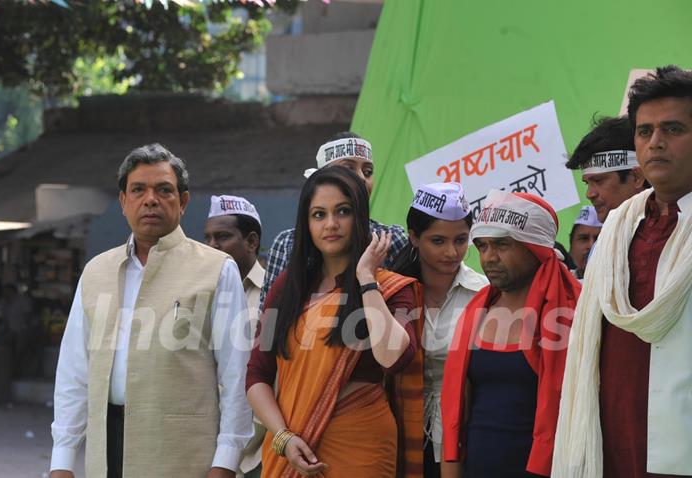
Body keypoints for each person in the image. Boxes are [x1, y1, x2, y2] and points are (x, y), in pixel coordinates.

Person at [50, 144, 253, 478]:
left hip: (182, 455)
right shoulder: (96, 272)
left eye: (164, 190)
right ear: (123, 202)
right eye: (138, 190)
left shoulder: (216, 270)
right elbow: (74, 372)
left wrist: (226, 461)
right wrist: (62, 460)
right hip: (105, 450)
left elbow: (236, 375)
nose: (150, 200)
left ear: (183, 201)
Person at [553, 66, 692, 477]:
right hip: (610, 444)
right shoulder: (617, 226)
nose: (656, 143)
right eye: (645, 132)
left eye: (673, 129)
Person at [246, 166, 420, 478]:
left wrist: (366, 279)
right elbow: (257, 373)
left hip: (361, 446)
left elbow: (392, 357)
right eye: (318, 214)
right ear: (306, 223)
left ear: (360, 216)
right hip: (291, 446)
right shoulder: (288, 288)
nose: (331, 224)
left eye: (343, 211)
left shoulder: (391, 288)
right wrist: (283, 438)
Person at [441, 190, 581, 478]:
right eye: (482, 246)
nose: (489, 257)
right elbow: (457, 414)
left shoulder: (576, 311)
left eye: (502, 245)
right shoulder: (475, 312)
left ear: (535, 248)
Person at [390, 182, 488, 478]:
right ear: (414, 238)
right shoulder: (392, 293)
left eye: (461, 239)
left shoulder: (484, 293)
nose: (452, 252)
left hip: (465, 433)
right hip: (399, 431)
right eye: (438, 241)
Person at [259, 131, 407, 309]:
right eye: (348, 168)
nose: (361, 177)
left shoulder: (390, 239)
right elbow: (268, 321)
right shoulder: (288, 244)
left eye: (367, 171)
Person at [205, 194, 266, 478]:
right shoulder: (202, 293)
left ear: (251, 242)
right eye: (208, 238)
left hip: (261, 450)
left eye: (222, 237)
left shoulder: (274, 294)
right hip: (207, 447)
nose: (212, 247)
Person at [565, 115, 648, 222]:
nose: (589, 194)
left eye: (598, 180)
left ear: (637, 177)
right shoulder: (609, 237)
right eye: (587, 183)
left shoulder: (672, 230)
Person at [568, 206, 602, 280]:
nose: (591, 246)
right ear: (571, 248)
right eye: (584, 238)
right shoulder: (561, 284)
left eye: (598, 239)